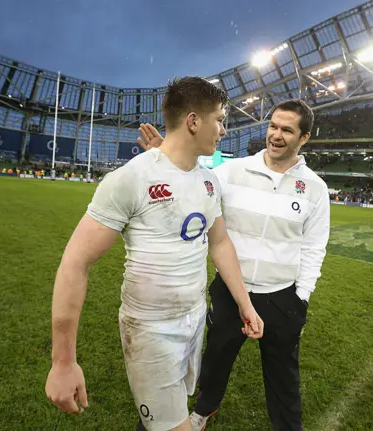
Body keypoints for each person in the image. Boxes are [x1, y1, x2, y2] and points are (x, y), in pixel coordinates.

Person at [45, 76, 264, 431]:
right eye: (220, 119)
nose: (224, 130)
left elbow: (219, 243)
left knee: (163, 416)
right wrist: (63, 362)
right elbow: (75, 263)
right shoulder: (131, 179)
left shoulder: (210, 182)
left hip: (194, 318)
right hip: (149, 329)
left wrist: (245, 303)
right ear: (194, 121)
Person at [137, 98, 331, 431]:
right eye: (273, 126)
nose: (276, 135)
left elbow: (314, 247)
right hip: (230, 292)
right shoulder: (232, 171)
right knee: (216, 359)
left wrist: (301, 298)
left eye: (287, 130)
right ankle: (204, 410)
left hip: (282, 298)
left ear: (304, 138)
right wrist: (165, 159)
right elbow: (192, 184)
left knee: (284, 376)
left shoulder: (315, 188)